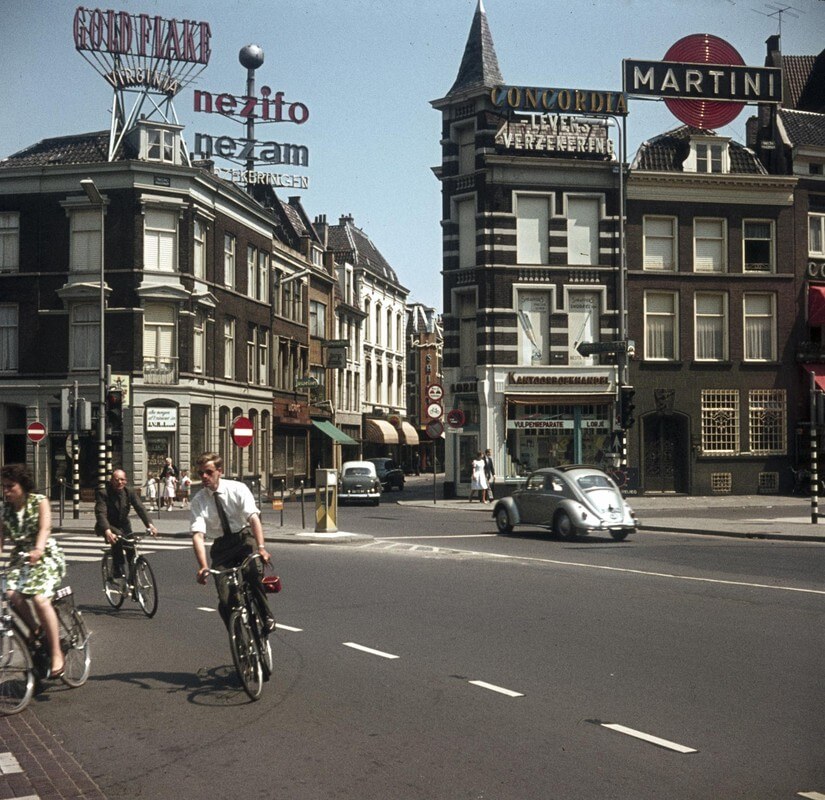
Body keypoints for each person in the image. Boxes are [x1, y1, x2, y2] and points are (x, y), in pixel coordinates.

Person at [190, 452, 275, 632]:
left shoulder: (238, 489)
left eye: (209, 472)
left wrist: (261, 548)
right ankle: (238, 638)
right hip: (221, 547)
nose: (204, 477)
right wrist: (203, 565)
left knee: (252, 574)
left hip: (243, 539)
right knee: (225, 598)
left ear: (219, 471)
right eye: (201, 473)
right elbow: (198, 535)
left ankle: (266, 615)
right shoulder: (198, 500)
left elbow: (253, 518)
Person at [0, 464, 66, 677]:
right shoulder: (4, 510)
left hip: (44, 555)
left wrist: (38, 549)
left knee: (40, 599)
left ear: (23, 486)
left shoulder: (39, 501)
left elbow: (45, 528)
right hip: (21, 559)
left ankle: (57, 653)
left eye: (10, 486)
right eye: (3, 487)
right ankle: (37, 631)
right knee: (11, 593)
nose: (6, 491)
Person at [95, 469, 158, 582]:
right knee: (118, 537)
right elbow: (101, 513)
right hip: (109, 524)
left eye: (122, 479)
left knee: (132, 551)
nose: (120, 482)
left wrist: (150, 525)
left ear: (126, 481)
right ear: (111, 481)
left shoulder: (129, 492)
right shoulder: (104, 493)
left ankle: (134, 587)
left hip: (124, 524)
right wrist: (108, 531)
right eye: (117, 480)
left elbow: (140, 508)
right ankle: (117, 569)